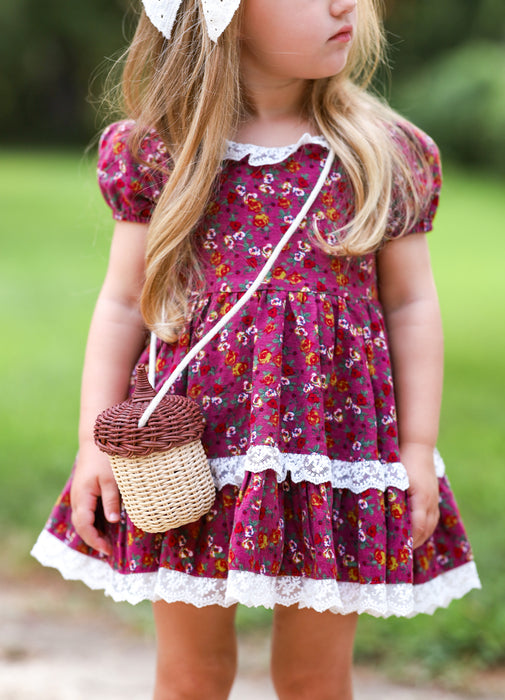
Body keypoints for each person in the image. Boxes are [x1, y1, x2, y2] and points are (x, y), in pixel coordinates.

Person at [32, 0, 481, 697]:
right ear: (224, 16)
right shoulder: (161, 150)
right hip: (190, 450)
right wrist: (97, 441)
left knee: (313, 679)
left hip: (332, 449)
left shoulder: (382, 151)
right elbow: (124, 302)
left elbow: (409, 305)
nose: (344, 6)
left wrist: (416, 449)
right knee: (191, 676)